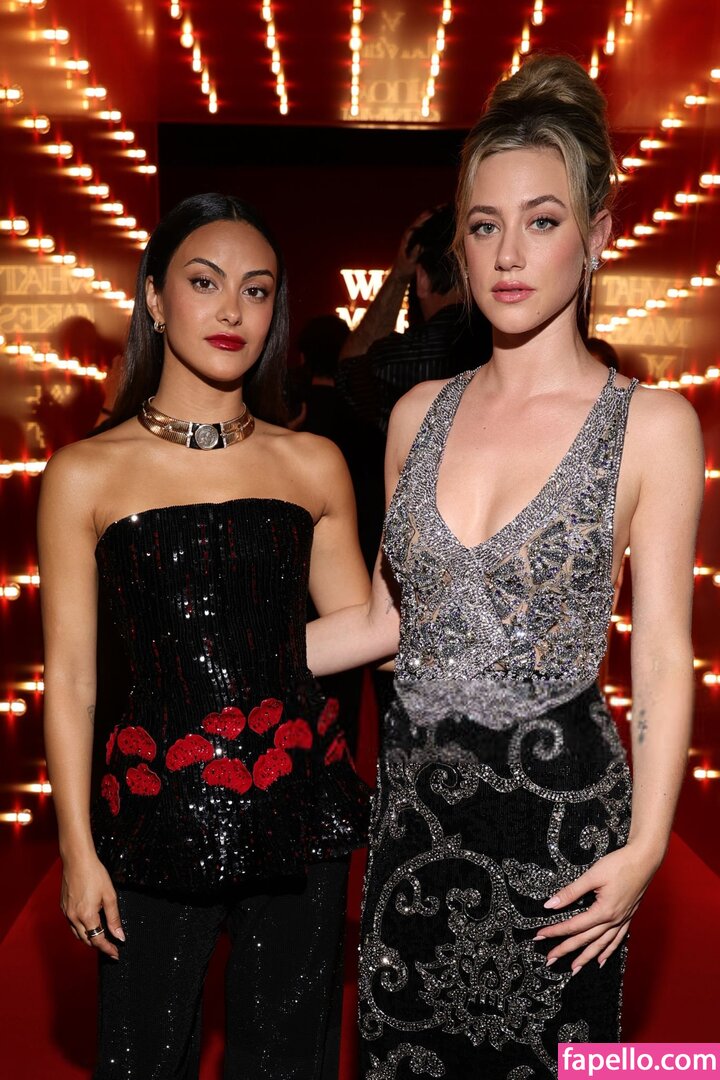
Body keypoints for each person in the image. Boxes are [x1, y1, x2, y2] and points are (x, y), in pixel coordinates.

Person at [307, 55, 704, 1077]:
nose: (510, 254)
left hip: (563, 834)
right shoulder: (415, 415)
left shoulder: (653, 426)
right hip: (412, 826)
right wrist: (211, 656)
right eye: (484, 226)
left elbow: (664, 655)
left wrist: (647, 847)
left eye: (542, 220)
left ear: (597, 236)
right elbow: (396, 619)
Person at [38, 193, 370, 1079]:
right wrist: (76, 847)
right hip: (151, 814)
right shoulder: (84, 473)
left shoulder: (312, 462)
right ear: (154, 297)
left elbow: (359, 633)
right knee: (142, 1060)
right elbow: (72, 680)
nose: (232, 310)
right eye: (204, 282)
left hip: (299, 809)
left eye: (256, 290)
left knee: (287, 1060)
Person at [335, 204, 493, 436]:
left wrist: (400, 274)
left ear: (423, 279)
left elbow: (346, 376)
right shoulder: (508, 348)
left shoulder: (394, 362)